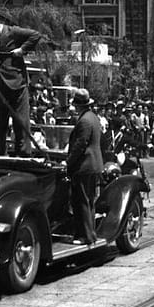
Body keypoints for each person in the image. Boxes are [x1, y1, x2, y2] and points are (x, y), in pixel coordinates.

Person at [0, 16, 41, 157]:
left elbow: (35, 35)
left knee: (21, 123)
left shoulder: (12, 32)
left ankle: (24, 154)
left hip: (17, 85)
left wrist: (22, 49)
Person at [65, 88, 103, 245]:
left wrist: (68, 163)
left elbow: (80, 144)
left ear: (79, 106)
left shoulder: (85, 121)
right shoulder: (93, 117)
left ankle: (85, 236)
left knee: (81, 201)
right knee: (88, 201)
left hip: (85, 166)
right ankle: (90, 233)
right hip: (93, 165)